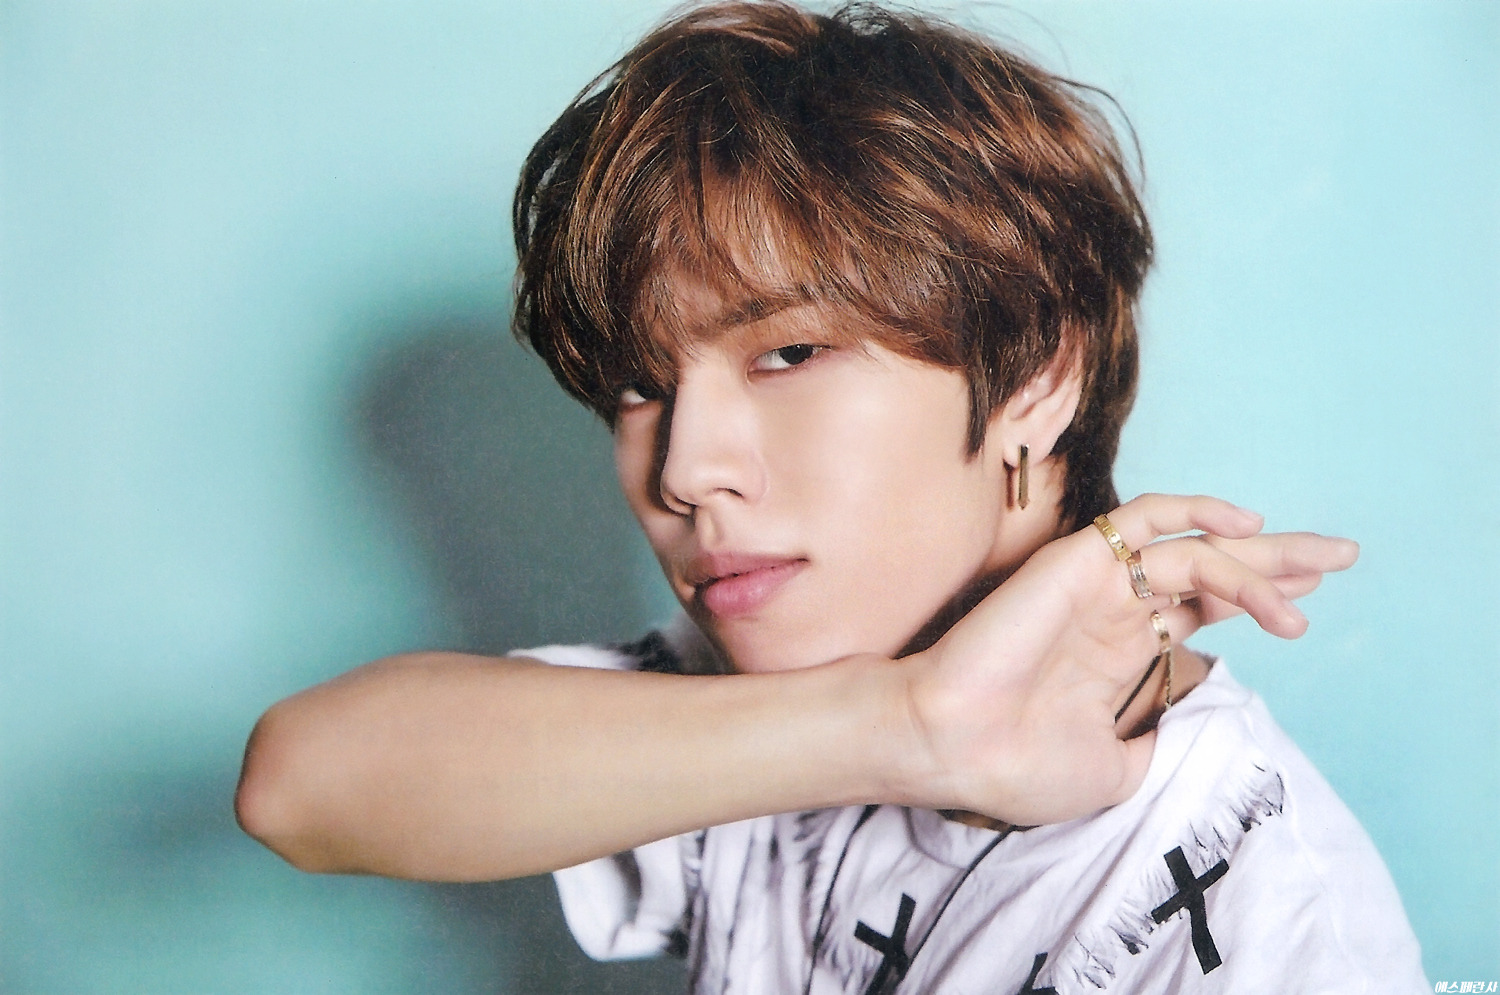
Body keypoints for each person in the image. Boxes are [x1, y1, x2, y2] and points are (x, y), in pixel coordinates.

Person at [235, 1, 1427, 990]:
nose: (685, 469)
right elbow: (299, 783)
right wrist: (904, 730)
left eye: (789, 353)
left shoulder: (1267, 908)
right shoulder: (781, 695)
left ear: (1038, 375)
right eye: (641, 388)